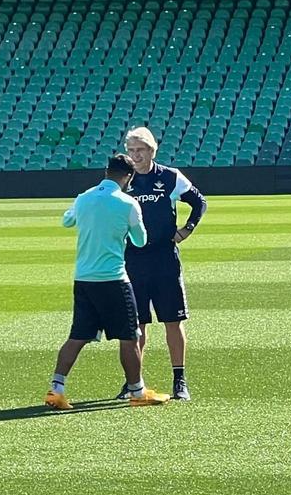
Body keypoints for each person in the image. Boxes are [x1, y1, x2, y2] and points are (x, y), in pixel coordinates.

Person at [45, 154, 170, 410]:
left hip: (83, 278)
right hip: (113, 279)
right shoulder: (128, 203)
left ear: (106, 171)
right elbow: (140, 240)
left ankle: (56, 389)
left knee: (77, 336)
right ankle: (137, 390)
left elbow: (67, 221)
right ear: (129, 177)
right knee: (130, 336)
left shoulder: (84, 198)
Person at [120, 127, 207, 401]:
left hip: (164, 258)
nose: (135, 156)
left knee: (173, 319)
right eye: (131, 151)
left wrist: (186, 230)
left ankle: (179, 380)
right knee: (136, 325)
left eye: (140, 150)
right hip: (133, 259)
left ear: (151, 151)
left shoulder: (169, 177)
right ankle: (134, 382)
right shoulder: (123, 180)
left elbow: (199, 202)